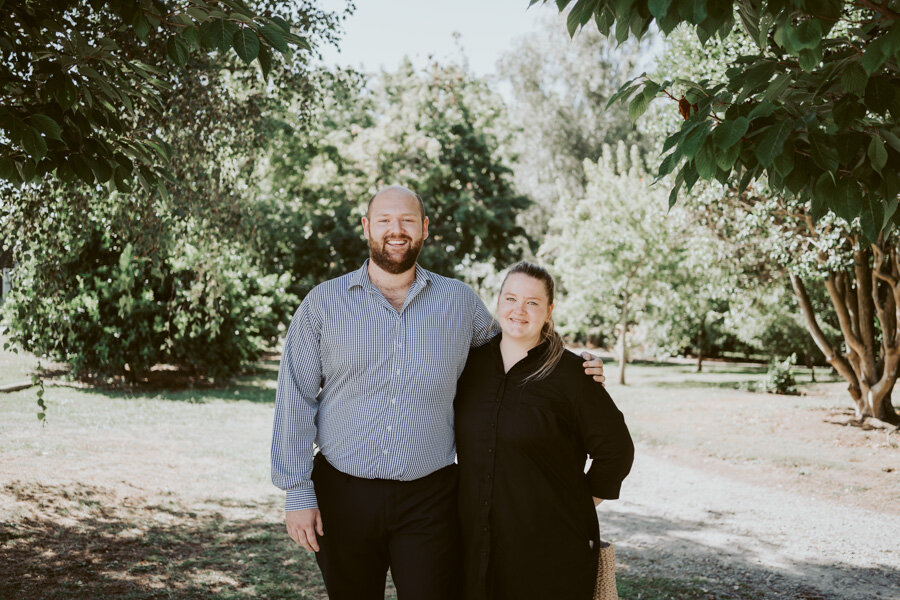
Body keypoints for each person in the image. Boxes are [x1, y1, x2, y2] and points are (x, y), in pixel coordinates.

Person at [270, 186, 606, 600]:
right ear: (366, 228)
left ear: (425, 229)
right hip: (342, 495)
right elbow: (294, 398)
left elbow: (516, 347)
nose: (397, 230)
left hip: (430, 500)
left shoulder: (459, 303)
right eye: (385, 221)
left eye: (408, 221)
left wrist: (574, 364)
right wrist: (298, 492)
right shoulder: (323, 304)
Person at [455, 261, 634, 600]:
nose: (518, 310)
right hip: (474, 543)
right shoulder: (470, 365)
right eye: (510, 299)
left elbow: (616, 449)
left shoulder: (572, 374)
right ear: (498, 302)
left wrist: (580, 502)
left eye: (532, 302)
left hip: (548, 547)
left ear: (549, 310)